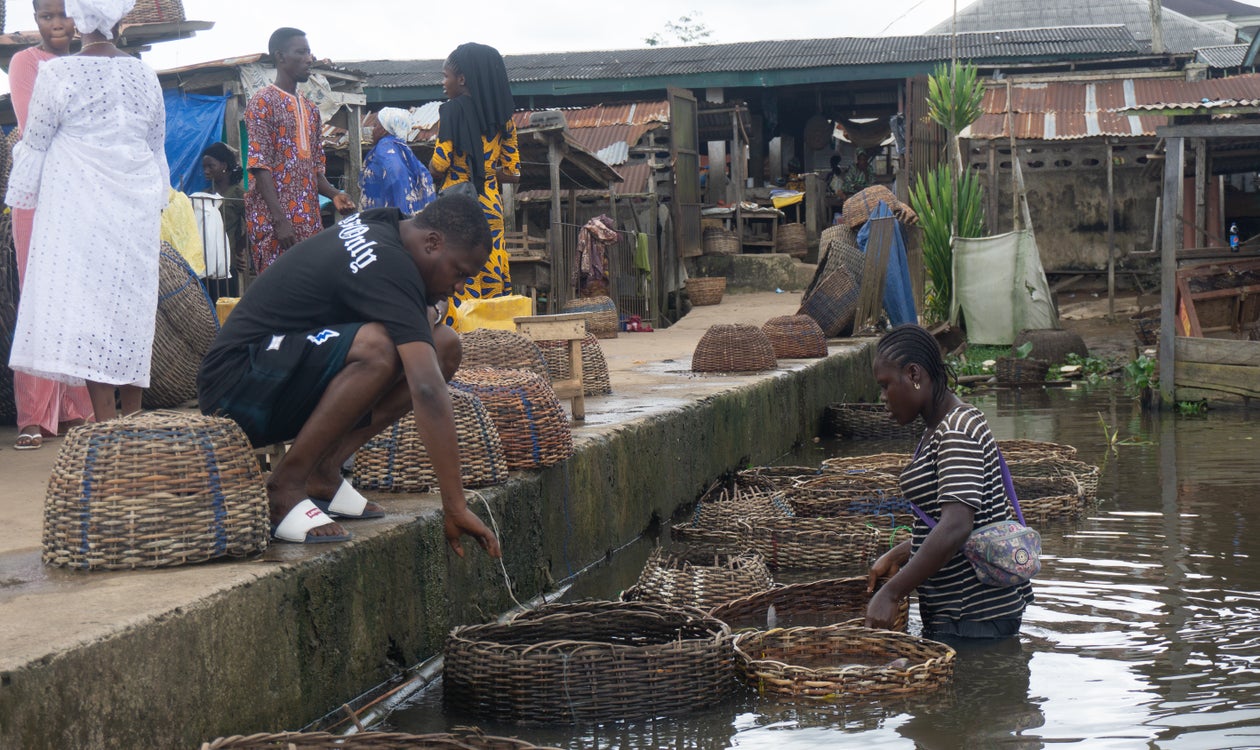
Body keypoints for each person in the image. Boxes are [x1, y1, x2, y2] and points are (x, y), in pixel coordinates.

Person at [196, 194, 500, 557]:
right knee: (379, 349)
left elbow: (429, 321)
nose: (461, 286)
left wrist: (430, 307)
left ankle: (322, 470)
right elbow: (427, 389)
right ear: (432, 243)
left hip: (276, 373)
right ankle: (284, 487)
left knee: (445, 346)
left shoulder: (388, 225)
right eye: (461, 272)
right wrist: (456, 506)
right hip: (236, 384)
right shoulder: (390, 263)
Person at [6, 0, 169, 422]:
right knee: (130, 309)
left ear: (80, 19)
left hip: (83, 212)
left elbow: (36, 140)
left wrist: (21, 201)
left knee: (94, 314)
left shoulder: (57, 73)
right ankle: (131, 418)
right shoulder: (144, 74)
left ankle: (106, 425)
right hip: (135, 210)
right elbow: (155, 148)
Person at [865, 324, 1033, 642]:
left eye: (886, 385)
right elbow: (950, 523)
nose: (884, 398)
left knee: (973, 690)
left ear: (914, 375)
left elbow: (956, 527)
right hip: (959, 614)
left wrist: (891, 593)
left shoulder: (956, 431)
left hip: (974, 615)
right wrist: (899, 555)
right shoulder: (937, 428)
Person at [6, 0, 94, 449]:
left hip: (80, 194)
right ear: (36, 19)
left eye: (63, 15)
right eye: (46, 17)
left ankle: (77, 407)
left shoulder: (90, 63)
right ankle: (34, 415)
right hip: (38, 194)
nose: (57, 25)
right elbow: (31, 126)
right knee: (39, 298)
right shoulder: (25, 63)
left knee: (77, 300)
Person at [245, 27, 355, 274]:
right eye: (301, 52)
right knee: (277, 294)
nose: (309, 58)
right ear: (280, 57)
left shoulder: (311, 110)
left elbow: (315, 171)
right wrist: (280, 220)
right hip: (276, 226)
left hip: (308, 222)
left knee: (308, 292)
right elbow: (260, 167)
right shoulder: (263, 102)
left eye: (310, 52)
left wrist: (335, 194)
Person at [429, 42, 519, 327]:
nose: (443, 83)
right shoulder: (504, 120)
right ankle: (494, 340)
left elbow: (439, 164)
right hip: (491, 205)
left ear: (462, 79)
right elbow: (513, 171)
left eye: (446, 76)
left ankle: (463, 343)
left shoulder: (451, 111)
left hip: (458, 207)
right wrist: (487, 172)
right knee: (492, 270)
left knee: (459, 273)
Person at [360, 107, 436, 215]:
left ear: (384, 130)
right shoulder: (403, 149)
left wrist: (400, 211)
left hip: (387, 217)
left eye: (375, 125)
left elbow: (395, 172)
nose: (372, 130)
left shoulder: (385, 146)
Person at [201, 141, 250, 291]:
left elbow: (253, 225)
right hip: (206, 261)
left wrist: (239, 248)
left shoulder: (238, 194)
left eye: (211, 166)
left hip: (228, 262)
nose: (206, 171)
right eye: (204, 167)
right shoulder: (204, 195)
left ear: (223, 165)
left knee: (226, 303)